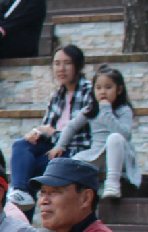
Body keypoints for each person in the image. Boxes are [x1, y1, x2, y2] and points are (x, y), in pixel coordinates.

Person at [8, 44, 93, 208]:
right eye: (57, 63)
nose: (61, 68)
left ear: (78, 65)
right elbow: (46, 126)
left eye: (67, 63)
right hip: (53, 146)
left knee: (32, 172)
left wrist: (52, 133)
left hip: (74, 149)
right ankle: (19, 191)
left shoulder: (89, 91)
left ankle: (23, 206)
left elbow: (81, 133)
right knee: (21, 145)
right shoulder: (58, 93)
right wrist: (36, 132)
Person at [54, 65, 138, 200]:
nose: (103, 92)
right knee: (74, 163)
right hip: (97, 153)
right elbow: (71, 126)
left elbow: (125, 134)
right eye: (98, 88)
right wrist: (60, 145)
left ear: (119, 90)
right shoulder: (91, 109)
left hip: (119, 153)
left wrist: (107, 111)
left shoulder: (124, 110)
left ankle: (112, 184)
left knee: (114, 138)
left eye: (108, 87)